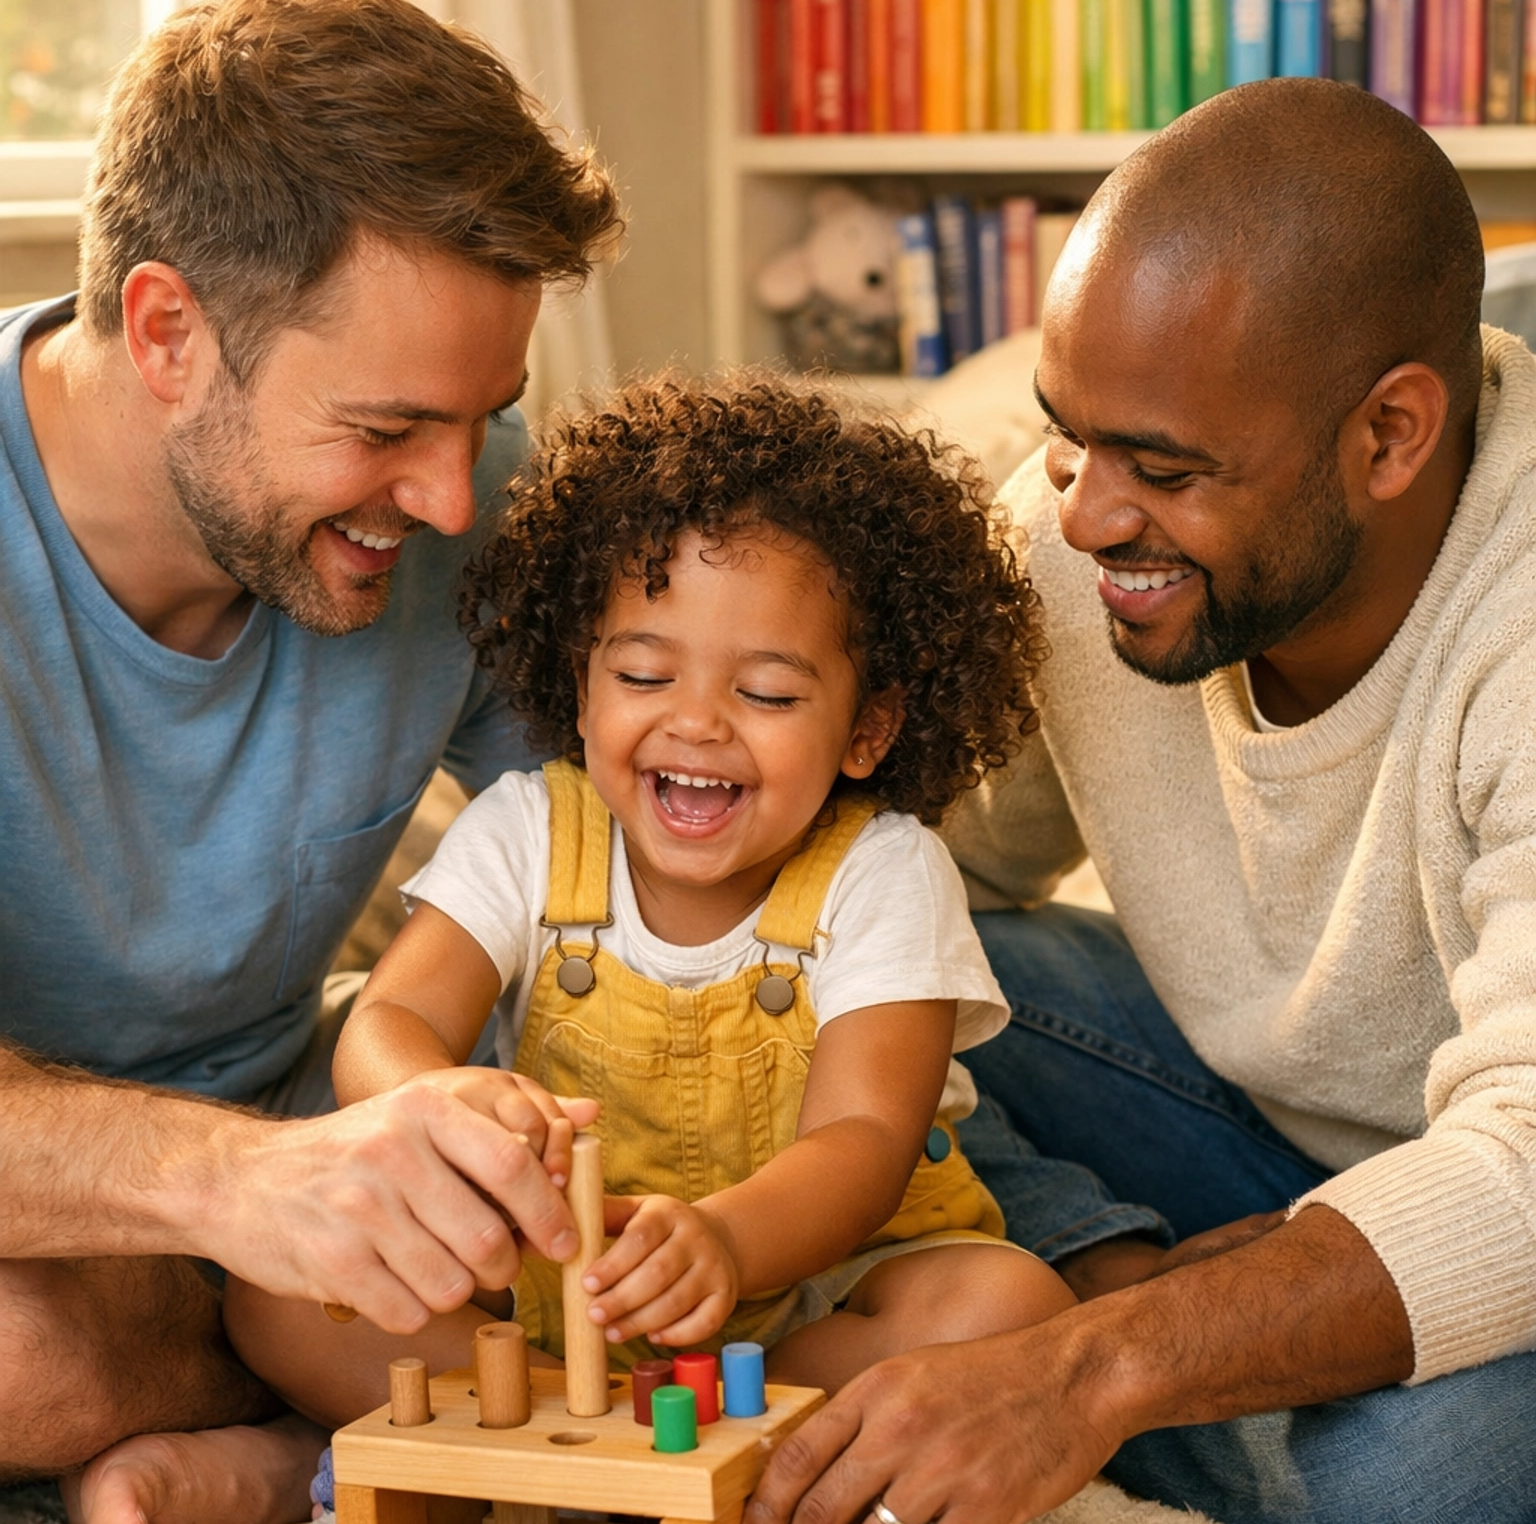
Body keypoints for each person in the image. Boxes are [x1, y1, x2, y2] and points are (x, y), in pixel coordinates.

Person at [736, 77, 1536, 1524]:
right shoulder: (1080, 548)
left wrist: (1078, 1380)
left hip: (1491, 1179)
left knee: (1426, 1484)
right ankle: (1118, 1294)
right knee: (824, 965)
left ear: (1390, 434)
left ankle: (1081, 1360)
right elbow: (894, 887)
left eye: (1164, 471)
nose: (1091, 518)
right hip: (1246, 1134)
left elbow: (1511, 1175)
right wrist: (1111, 1315)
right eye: (1064, 441)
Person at [0, 0, 621, 1524]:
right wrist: (249, 1197)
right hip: (81, 1202)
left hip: (318, 1123)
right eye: (387, 429)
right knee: (14, 1348)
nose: (444, 493)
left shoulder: (468, 491)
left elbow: (610, 872)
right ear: (165, 331)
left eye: (481, 421)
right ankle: (299, 1427)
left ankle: (280, 1445)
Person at [226, 376, 1076, 1426]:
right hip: (558, 1298)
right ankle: (570, 1425)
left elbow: (863, 1140)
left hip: (816, 1300)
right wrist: (437, 1101)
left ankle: (691, 1437)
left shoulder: (884, 871)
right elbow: (389, 1023)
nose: (698, 724)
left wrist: (722, 1239)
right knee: (280, 1294)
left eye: (766, 694)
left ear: (869, 729)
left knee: (1014, 1309)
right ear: (580, 684)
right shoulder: (529, 830)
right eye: (642, 677)